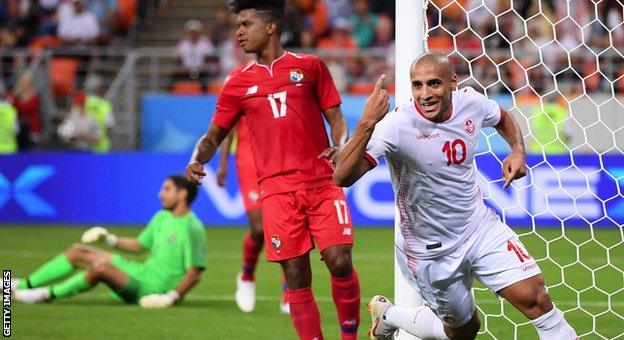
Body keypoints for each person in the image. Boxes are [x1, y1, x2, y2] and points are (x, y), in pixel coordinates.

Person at [333, 52, 577, 340]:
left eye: (433, 84)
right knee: (463, 332)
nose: (425, 94)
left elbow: (502, 118)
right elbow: (342, 177)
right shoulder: (396, 125)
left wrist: (517, 150)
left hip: (479, 227)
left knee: (536, 299)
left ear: (452, 83)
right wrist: (366, 123)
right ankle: (389, 315)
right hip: (431, 250)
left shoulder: (470, 102)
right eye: (417, 85)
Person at [185, 1, 361, 339]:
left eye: (246, 24)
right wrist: (197, 158)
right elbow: (213, 135)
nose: (238, 32)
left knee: (339, 260)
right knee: (296, 275)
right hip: (277, 192)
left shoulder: (310, 67)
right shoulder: (236, 83)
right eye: (237, 25)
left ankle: (349, 336)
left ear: (271, 28)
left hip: (322, 182)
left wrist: (341, 146)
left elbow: (337, 120)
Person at [12, 175, 206, 308]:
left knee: (102, 268)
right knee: (77, 252)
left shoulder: (192, 227)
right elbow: (140, 246)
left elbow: (194, 272)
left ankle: (44, 295)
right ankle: (23, 285)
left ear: (182, 194)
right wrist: (108, 239)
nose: (160, 194)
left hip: (152, 289)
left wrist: (169, 298)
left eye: (167, 189)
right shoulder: (162, 217)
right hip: (141, 273)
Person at [216, 118, 289, 314]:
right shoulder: (238, 86)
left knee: (284, 227)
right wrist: (223, 163)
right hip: (249, 160)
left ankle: (289, 289)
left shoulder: (286, 85)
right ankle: (247, 275)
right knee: (258, 229)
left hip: (280, 159)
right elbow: (228, 125)